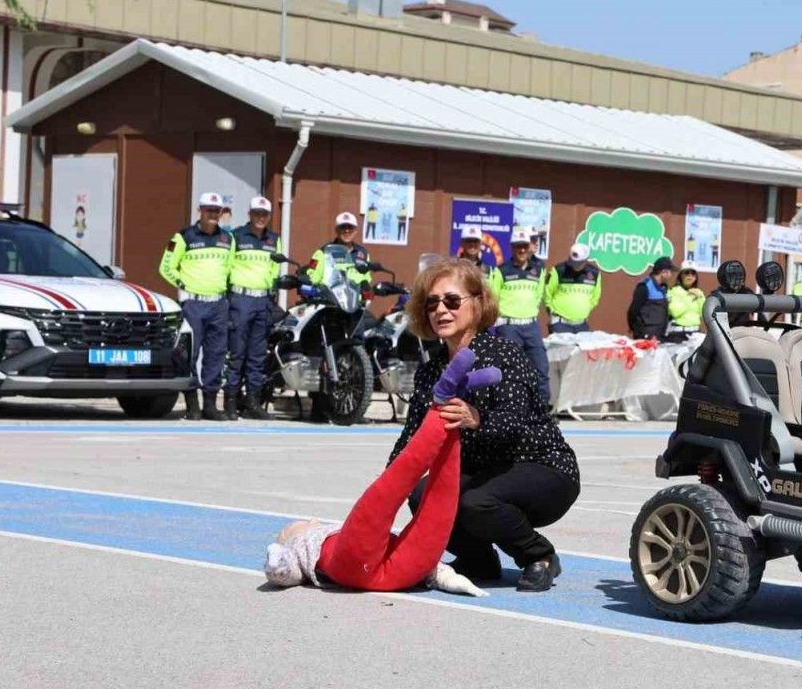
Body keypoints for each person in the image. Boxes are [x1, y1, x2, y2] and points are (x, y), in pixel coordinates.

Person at [394, 258, 580, 592]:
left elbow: (514, 422)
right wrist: (386, 489)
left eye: (452, 301)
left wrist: (476, 419)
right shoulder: (430, 370)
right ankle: (477, 559)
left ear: (478, 304)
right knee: (421, 495)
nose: (441, 310)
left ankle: (539, 555)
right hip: (484, 473)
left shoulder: (505, 353)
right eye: (432, 303)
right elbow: (411, 437)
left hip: (541, 465)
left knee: (475, 503)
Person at [263, 347, 497, 597]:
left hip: (387, 571)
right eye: (293, 528)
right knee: (392, 491)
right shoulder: (302, 543)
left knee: (433, 505)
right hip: (355, 564)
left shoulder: (325, 534)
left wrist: (447, 576)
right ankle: (443, 401)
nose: (308, 522)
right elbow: (284, 571)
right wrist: (277, 554)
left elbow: (284, 573)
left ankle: (448, 402)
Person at [159, 192, 233, 421]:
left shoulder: (228, 239)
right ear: (199, 210)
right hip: (193, 304)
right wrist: (183, 285)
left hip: (218, 304)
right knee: (190, 353)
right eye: (208, 209)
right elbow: (166, 267)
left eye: (216, 210)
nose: (212, 214)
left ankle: (210, 405)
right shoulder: (183, 237)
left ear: (221, 213)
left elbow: (229, 270)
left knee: (216, 354)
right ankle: (192, 405)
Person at [224, 196, 278, 421]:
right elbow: (227, 266)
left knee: (257, 355)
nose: (260, 218)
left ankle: (253, 402)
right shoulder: (236, 236)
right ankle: (231, 401)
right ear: (249, 214)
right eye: (256, 213)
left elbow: (275, 269)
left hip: (262, 301)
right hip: (241, 299)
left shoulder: (274, 239)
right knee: (237, 353)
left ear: (269, 216)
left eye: (264, 214)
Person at [489, 229, 550, 403]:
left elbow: (538, 295)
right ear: (512, 247)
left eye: (524, 246)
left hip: (531, 326)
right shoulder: (501, 270)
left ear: (529, 247)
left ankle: (541, 407)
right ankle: (510, 405)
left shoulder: (539, 269)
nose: (522, 250)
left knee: (541, 367)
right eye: (518, 246)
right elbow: (493, 297)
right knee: (510, 369)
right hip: (508, 326)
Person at [544, 244, 601, 334]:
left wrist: (583, 311)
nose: (574, 265)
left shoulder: (594, 273)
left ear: (586, 260)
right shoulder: (559, 270)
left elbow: (595, 297)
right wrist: (552, 312)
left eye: (578, 263)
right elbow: (547, 293)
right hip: (560, 323)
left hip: (582, 325)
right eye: (572, 261)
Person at [308, 212, 372, 288]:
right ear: (336, 230)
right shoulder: (323, 252)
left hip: (355, 295)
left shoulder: (363, 253)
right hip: (329, 295)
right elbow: (312, 278)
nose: (347, 231)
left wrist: (365, 286)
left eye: (350, 228)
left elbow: (367, 279)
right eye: (343, 227)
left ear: (355, 231)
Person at [627, 256, 675, 340]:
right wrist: (636, 330)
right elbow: (633, 311)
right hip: (645, 335)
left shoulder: (664, 288)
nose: (671, 275)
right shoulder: (645, 286)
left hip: (659, 335)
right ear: (663, 272)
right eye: (670, 272)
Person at [667, 261, 705, 337]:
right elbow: (675, 312)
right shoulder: (673, 291)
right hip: (678, 333)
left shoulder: (698, 292)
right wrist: (690, 297)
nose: (690, 276)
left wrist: (700, 297)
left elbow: (703, 314)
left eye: (693, 273)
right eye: (687, 272)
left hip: (696, 332)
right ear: (681, 275)